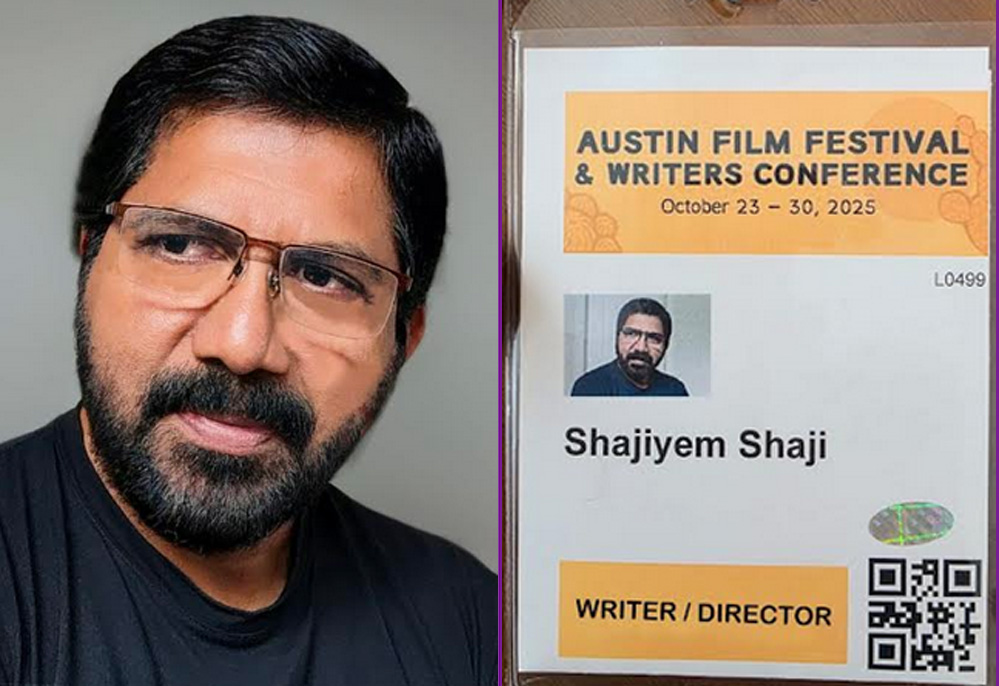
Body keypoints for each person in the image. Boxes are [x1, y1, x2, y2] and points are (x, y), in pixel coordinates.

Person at [0, 16, 495, 686]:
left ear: (404, 338)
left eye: (324, 277)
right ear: (90, 261)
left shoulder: (469, 622)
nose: (241, 346)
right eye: (180, 245)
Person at [571, 298, 689, 397]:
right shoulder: (589, 387)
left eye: (653, 338)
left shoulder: (675, 390)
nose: (641, 348)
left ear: (666, 345)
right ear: (617, 337)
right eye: (631, 334)